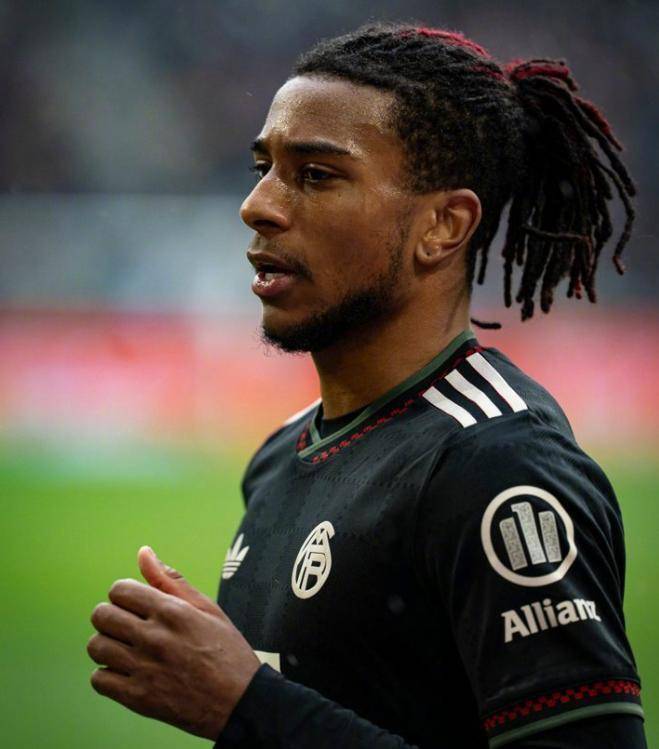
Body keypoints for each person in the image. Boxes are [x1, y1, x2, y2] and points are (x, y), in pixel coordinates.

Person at [87, 23, 647, 748]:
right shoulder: (281, 454)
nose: (257, 205)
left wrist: (246, 705)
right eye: (263, 166)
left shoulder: (497, 468)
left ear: (442, 226)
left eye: (316, 175)